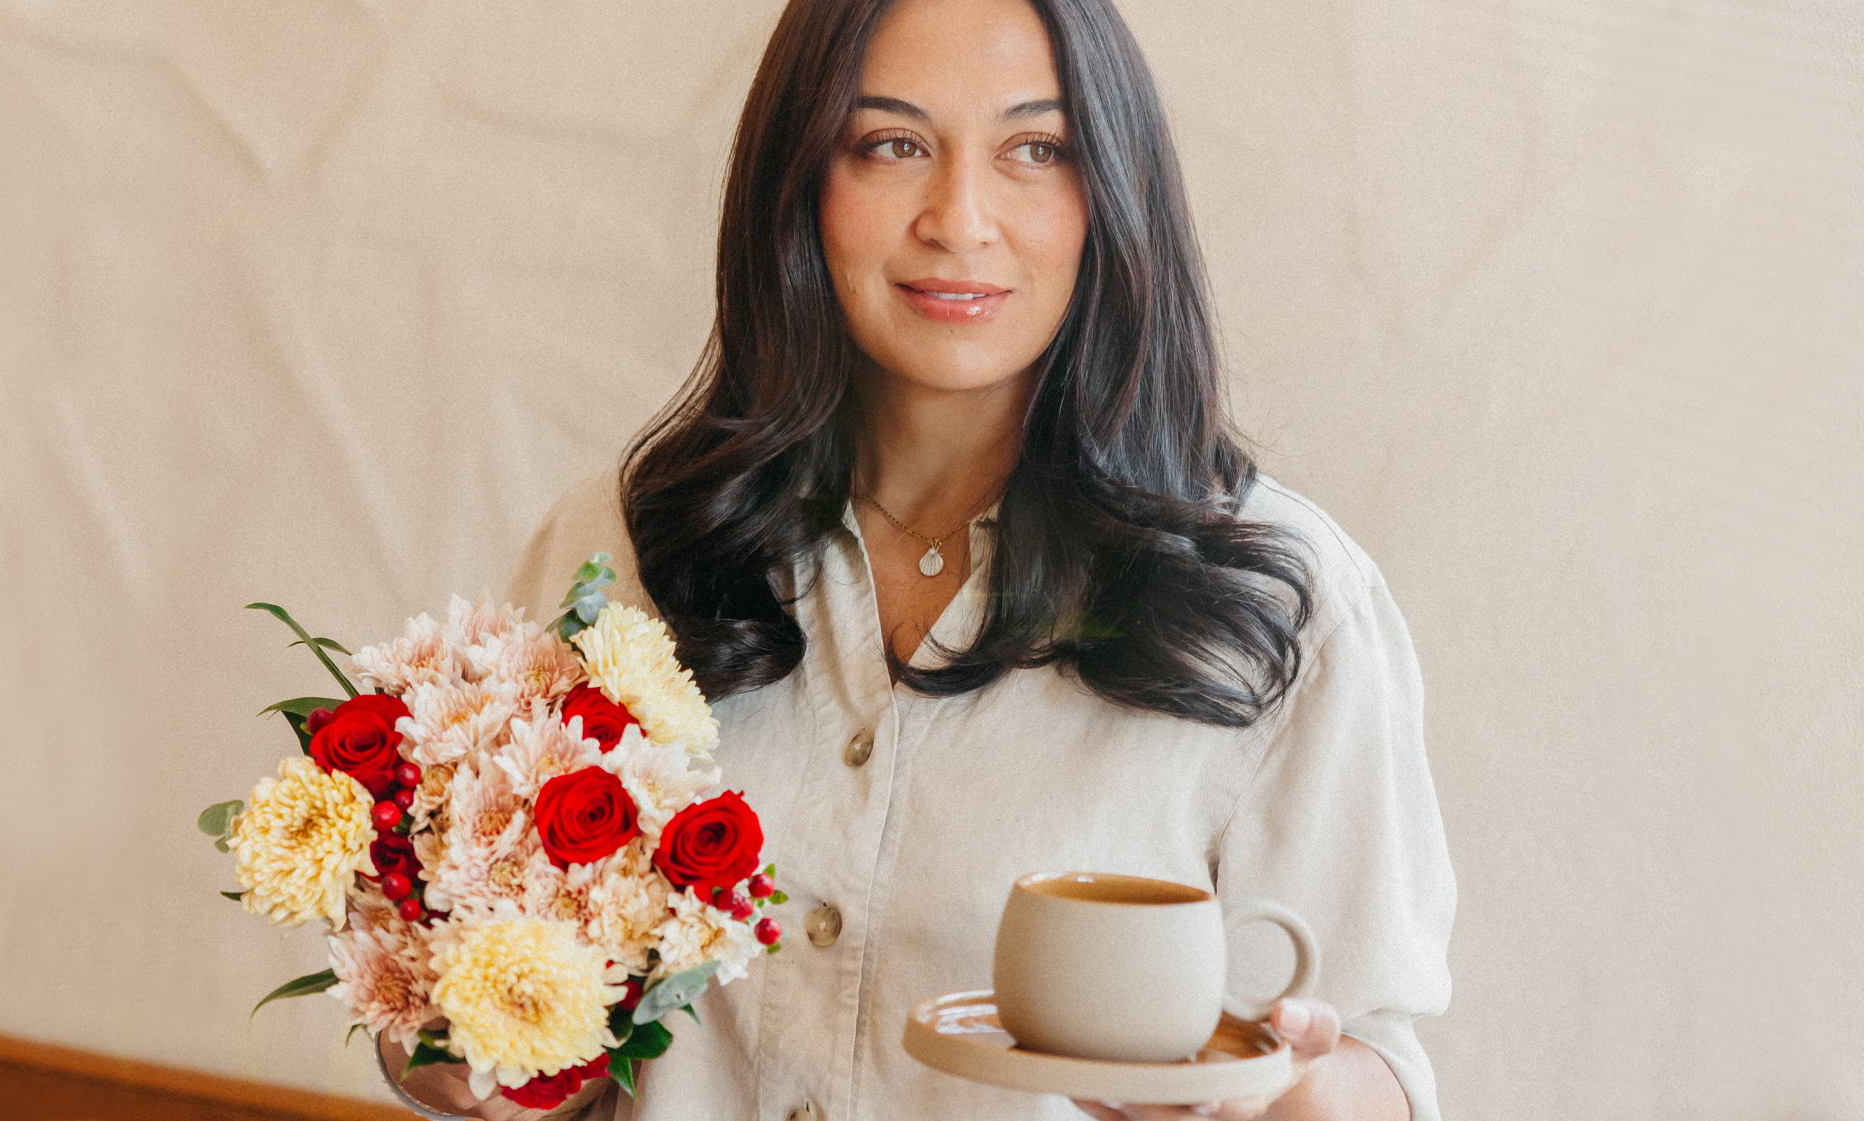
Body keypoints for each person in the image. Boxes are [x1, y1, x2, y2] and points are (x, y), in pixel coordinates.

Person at [380, 0, 1452, 1116]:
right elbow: (476, 1023)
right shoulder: (624, 542)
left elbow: (1370, 1049)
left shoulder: (1286, 602)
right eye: (889, 144)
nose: (959, 217)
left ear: (1112, 195)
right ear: (799, 180)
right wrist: (446, 1038)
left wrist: (1294, 1089)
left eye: (1036, 150)